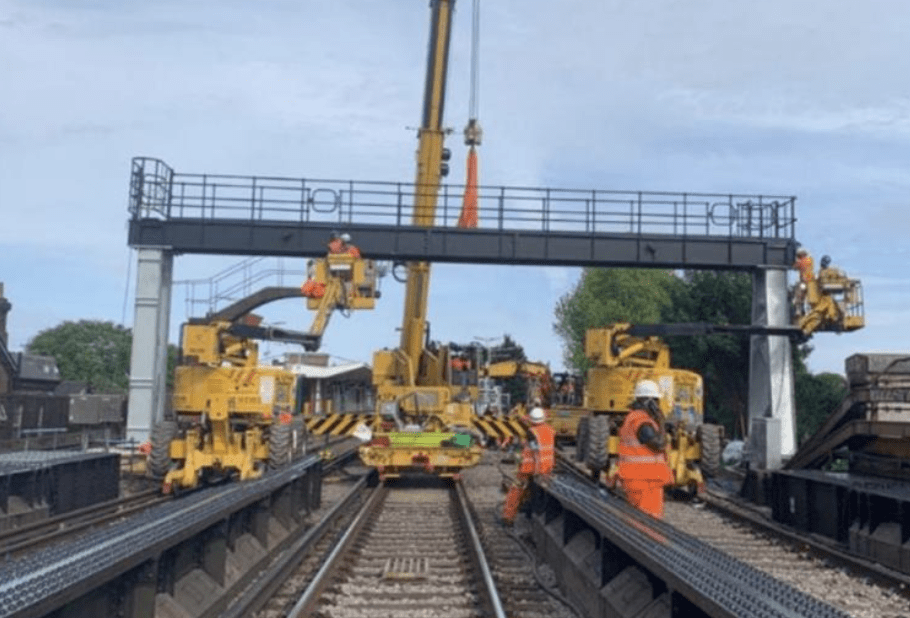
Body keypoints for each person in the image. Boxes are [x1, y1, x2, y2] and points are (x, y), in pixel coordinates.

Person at [616, 380, 674, 519]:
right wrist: (661, 422)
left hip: (640, 480)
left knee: (638, 521)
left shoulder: (633, 418)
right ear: (650, 402)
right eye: (656, 401)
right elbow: (659, 444)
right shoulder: (641, 421)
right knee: (648, 524)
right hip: (645, 482)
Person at [502, 406, 555, 525]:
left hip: (530, 468)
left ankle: (508, 517)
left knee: (516, 489)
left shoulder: (532, 432)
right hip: (546, 468)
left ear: (532, 420)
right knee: (536, 491)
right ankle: (530, 512)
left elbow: (536, 452)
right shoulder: (550, 430)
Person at [791, 247, 814, 316]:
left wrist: (793, 261)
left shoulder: (800, 261)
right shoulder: (810, 260)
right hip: (812, 281)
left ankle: (798, 311)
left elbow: (794, 267)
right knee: (808, 298)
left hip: (804, 281)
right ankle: (808, 311)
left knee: (798, 296)